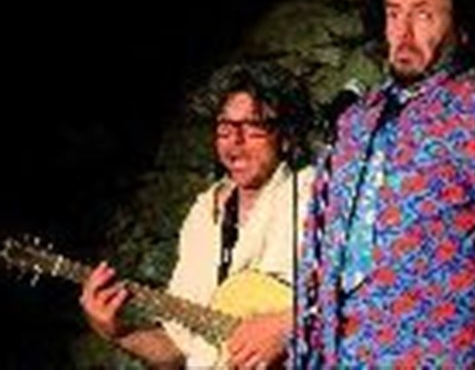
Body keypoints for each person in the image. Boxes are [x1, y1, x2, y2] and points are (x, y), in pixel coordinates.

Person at [295, 0, 475, 368]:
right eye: (393, 14)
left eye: (424, 15)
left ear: (463, 26)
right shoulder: (353, 123)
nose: (403, 32)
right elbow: (317, 261)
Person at [80, 60, 314, 368]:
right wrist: (120, 334)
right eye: (224, 128)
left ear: (286, 136)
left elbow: (364, 300)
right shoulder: (203, 214)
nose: (235, 141)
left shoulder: (317, 195)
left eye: (252, 127)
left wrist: (288, 325)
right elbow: (179, 349)